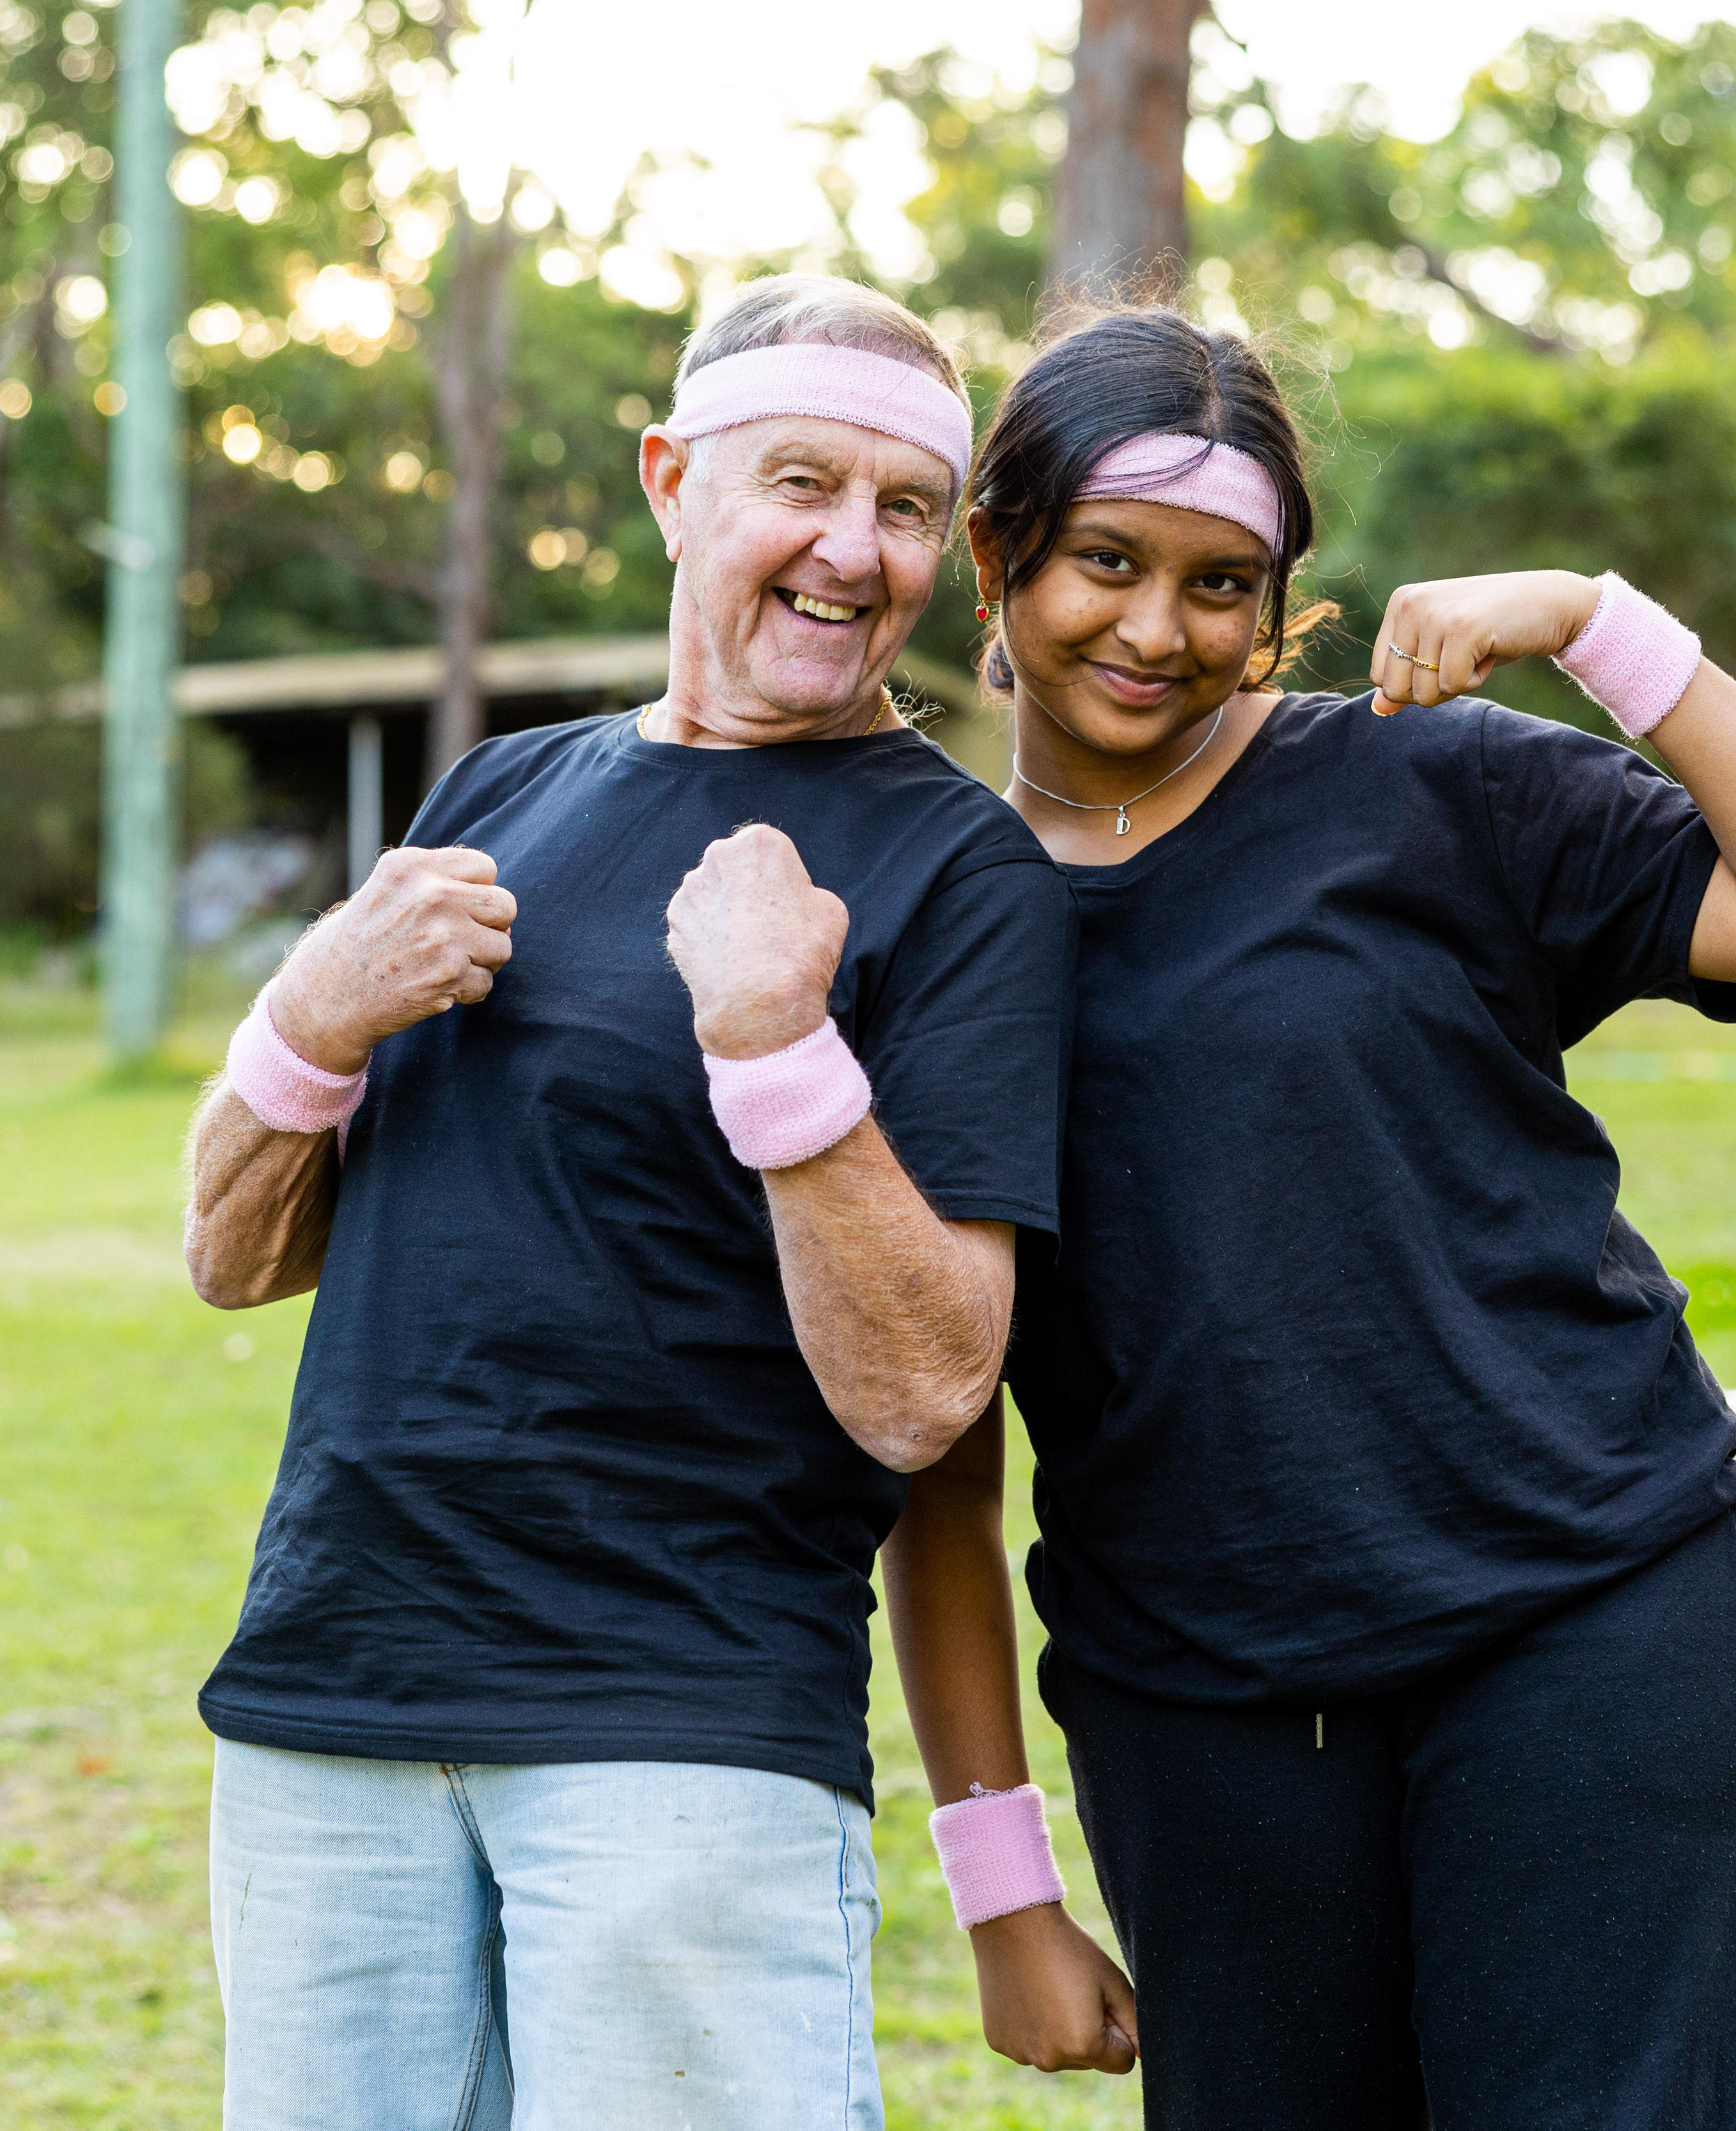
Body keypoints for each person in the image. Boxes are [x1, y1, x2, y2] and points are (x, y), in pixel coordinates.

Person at [889, 306, 1736, 2127]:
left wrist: (1596, 623)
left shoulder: (1426, 782)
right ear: (998, 552)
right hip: (1198, 1700)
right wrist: (1002, 1890)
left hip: (1586, 1614)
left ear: (1283, 600)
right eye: (1105, 564)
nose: (1158, 630)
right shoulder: (916, 919)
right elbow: (935, 1446)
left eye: (1224, 585)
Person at [180, 274, 1077, 2131]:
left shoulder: (961, 872)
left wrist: (775, 1043)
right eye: (802, 485)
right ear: (672, 483)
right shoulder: (500, 789)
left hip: (677, 1734)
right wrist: (309, 1010)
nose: (854, 550)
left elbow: (927, 1393)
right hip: (330, 1701)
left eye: (907, 509)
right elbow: (232, 1253)